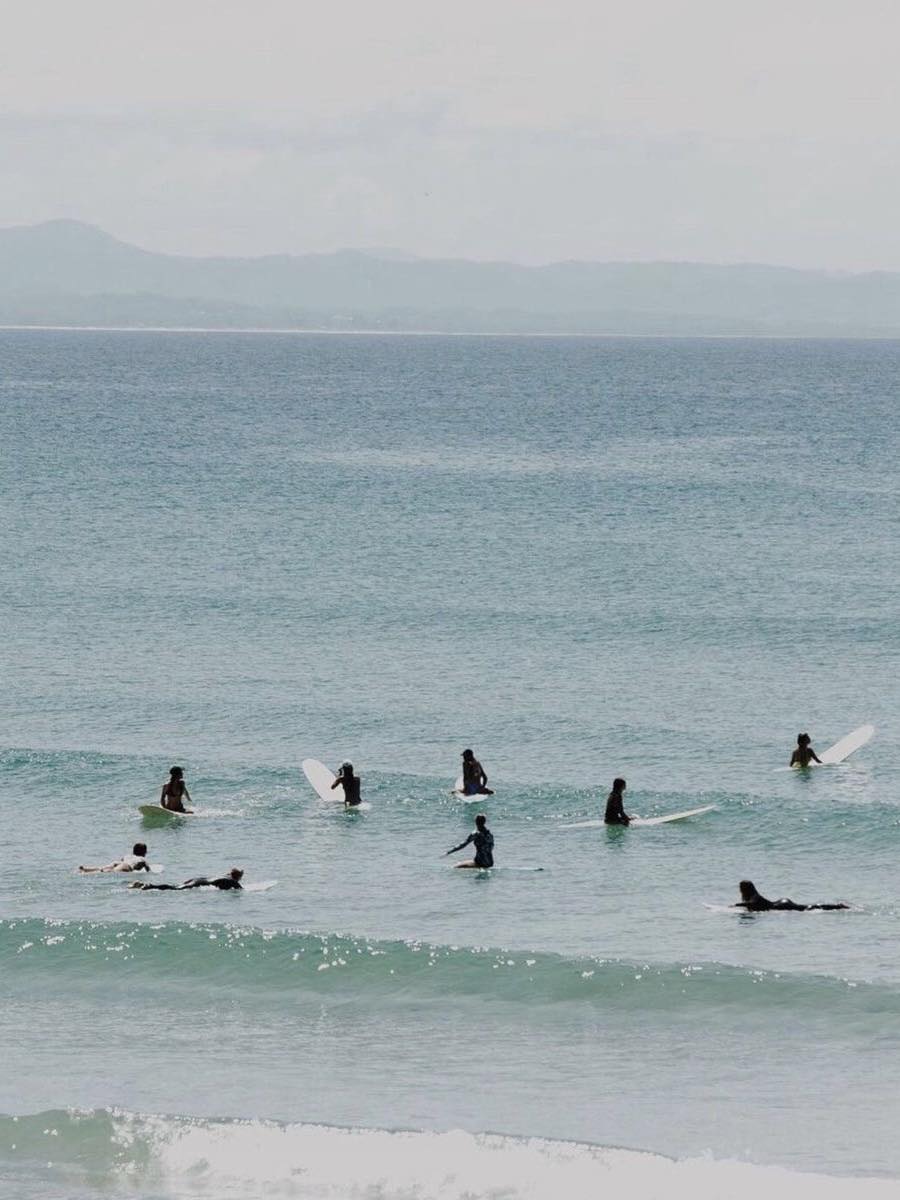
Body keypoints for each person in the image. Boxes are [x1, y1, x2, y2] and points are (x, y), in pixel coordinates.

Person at [733, 880, 848, 912]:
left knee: (807, 908)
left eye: (741, 888)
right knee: (806, 907)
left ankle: (838, 906)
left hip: (781, 906)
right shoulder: (753, 895)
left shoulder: (754, 896)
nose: (739, 890)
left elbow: (753, 903)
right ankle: (837, 906)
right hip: (780, 903)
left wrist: (736, 905)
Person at [130, 867, 244, 892]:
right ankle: (150, 886)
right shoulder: (232, 881)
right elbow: (242, 890)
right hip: (199, 882)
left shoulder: (225, 876)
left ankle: (145, 885)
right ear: (237, 876)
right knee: (175, 889)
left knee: (175, 886)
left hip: (197, 879)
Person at [79, 843, 150, 873]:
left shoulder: (128, 855)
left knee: (102, 868)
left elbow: (122, 860)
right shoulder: (142, 859)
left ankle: (85, 869)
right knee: (110, 872)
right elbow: (148, 869)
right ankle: (85, 874)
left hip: (118, 863)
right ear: (144, 852)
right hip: (126, 866)